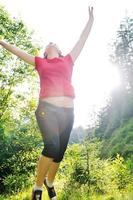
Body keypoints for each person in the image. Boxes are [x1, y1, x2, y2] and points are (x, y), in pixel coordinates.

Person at [0, 6, 94, 200]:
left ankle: (49, 183)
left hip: (68, 112)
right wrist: (1, 41)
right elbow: (17, 51)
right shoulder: (40, 63)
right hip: (47, 110)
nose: (51, 43)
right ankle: (37, 188)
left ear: (58, 50)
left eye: (54, 42)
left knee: (59, 153)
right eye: (48, 43)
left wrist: (90, 20)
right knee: (51, 146)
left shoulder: (68, 60)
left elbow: (81, 41)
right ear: (44, 51)